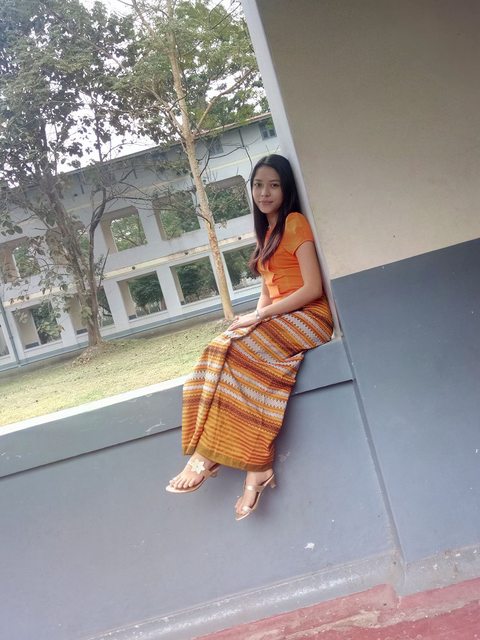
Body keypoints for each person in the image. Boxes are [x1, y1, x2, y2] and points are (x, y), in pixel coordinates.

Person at [166, 154, 333, 520]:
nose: (264, 193)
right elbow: (267, 290)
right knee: (219, 348)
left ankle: (207, 456)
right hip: (282, 318)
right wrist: (247, 320)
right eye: (258, 185)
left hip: (311, 317)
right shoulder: (268, 233)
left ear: (286, 189)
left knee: (237, 352)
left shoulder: (294, 222)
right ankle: (256, 466)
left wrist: (259, 317)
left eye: (273, 185)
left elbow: (312, 288)